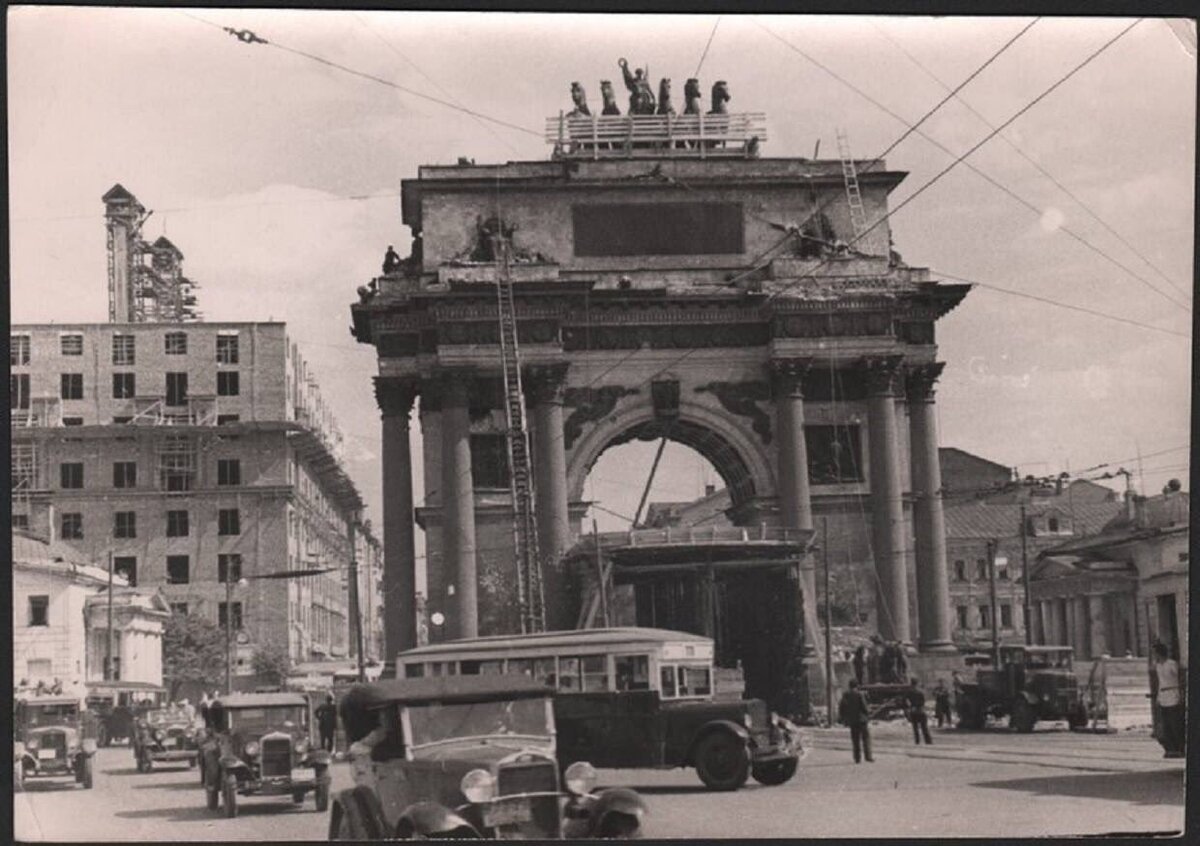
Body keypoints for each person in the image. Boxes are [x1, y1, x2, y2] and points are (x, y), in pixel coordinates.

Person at [1152, 642, 1184, 758]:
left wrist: (1180, 695)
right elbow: (1160, 682)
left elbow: (1179, 679)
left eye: (1155, 653)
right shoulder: (1158, 666)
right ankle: (1170, 748)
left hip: (1172, 692)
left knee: (1175, 723)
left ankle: (1179, 747)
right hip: (1163, 694)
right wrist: (1158, 697)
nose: (1154, 655)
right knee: (1166, 725)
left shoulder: (1171, 664)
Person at [837, 680, 874, 763]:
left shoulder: (845, 695)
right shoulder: (860, 694)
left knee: (855, 740)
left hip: (852, 721)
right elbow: (864, 707)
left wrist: (843, 718)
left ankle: (857, 758)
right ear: (857, 686)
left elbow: (842, 707)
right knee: (866, 739)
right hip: (862, 720)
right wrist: (868, 713)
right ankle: (868, 756)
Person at [904, 678, 933, 745]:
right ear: (917, 684)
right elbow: (923, 702)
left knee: (915, 728)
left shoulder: (909, 692)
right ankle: (928, 741)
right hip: (921, 711)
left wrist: (910, 707)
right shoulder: (920, 692)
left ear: (911, 684)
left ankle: (917, 741)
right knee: (924, 727)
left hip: (913, 711)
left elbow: (905, 700)